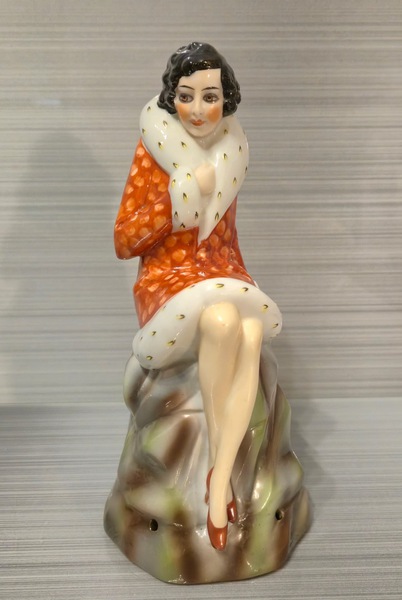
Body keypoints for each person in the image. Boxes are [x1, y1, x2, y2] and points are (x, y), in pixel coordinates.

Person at [114, 42, 282, 551]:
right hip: (167, 280)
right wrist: (180, 194)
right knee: (223, 321)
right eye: (186, 96)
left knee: (247, 328)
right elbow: (125, 239)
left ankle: (218, 475)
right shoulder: (155, 150)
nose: (197, 109)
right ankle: (218, 486)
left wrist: (243, 279)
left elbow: (226, 240)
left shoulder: (233, 153)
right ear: (172, 98)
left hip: (218, 272)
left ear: (226, 100)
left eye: (210, 97)